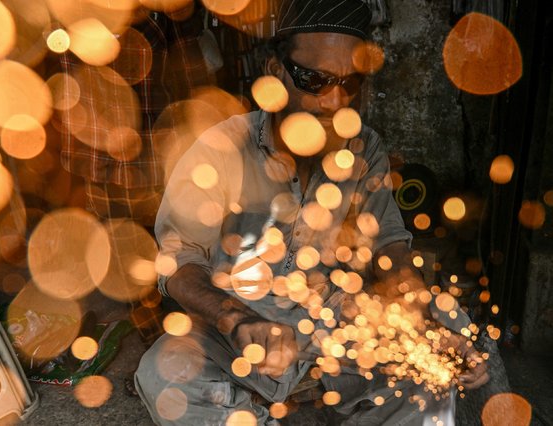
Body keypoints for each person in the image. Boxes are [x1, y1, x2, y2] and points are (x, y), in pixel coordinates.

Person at [135, 0, 489, 424]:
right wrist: (235, 317)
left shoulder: (363, 148)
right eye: (314, 80)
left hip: (332, 328)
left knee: (442, 334)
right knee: (164, 374)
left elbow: (390, 249)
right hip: (235, 333)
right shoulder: (221, 147)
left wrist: (426, 323)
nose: (333, 102)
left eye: (350, 83)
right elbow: (178, 263)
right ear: (274, 72)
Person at [57, 2, 213, 344]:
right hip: (119, 165)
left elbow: (188, 77)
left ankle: (183, 334)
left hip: (155, 160)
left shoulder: (156, 21)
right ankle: (159, 339)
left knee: (175, 247)